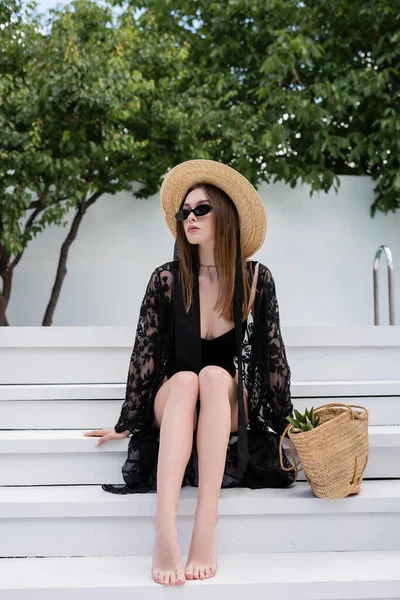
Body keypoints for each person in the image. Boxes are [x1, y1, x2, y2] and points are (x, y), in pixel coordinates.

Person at [83, 159, 296, 587]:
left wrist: (289, 423)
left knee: (215, 376)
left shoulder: (256, 280)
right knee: (187, 380)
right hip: (176, 402)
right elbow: (143, 356)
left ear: (225, 214)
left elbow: (273, 356)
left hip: (223, 403)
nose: (189, 219)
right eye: (185, 212)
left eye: (201, 209)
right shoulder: (166, 279)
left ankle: (205, 524)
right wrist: (127, 421)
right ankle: (165, 527)